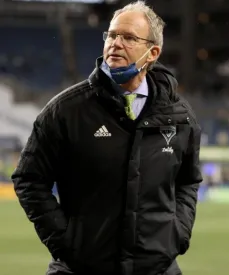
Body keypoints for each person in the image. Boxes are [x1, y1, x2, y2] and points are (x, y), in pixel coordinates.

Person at [12, 1, 202, 275]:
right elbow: (29, 179)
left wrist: (178, 233)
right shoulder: (65, 110)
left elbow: (188, 181)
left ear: (153, 52)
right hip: (80, 268)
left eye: (128, 38)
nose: (116, 43)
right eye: (112, 35)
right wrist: (65, 243)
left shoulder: (180, 116)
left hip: (157, 268)